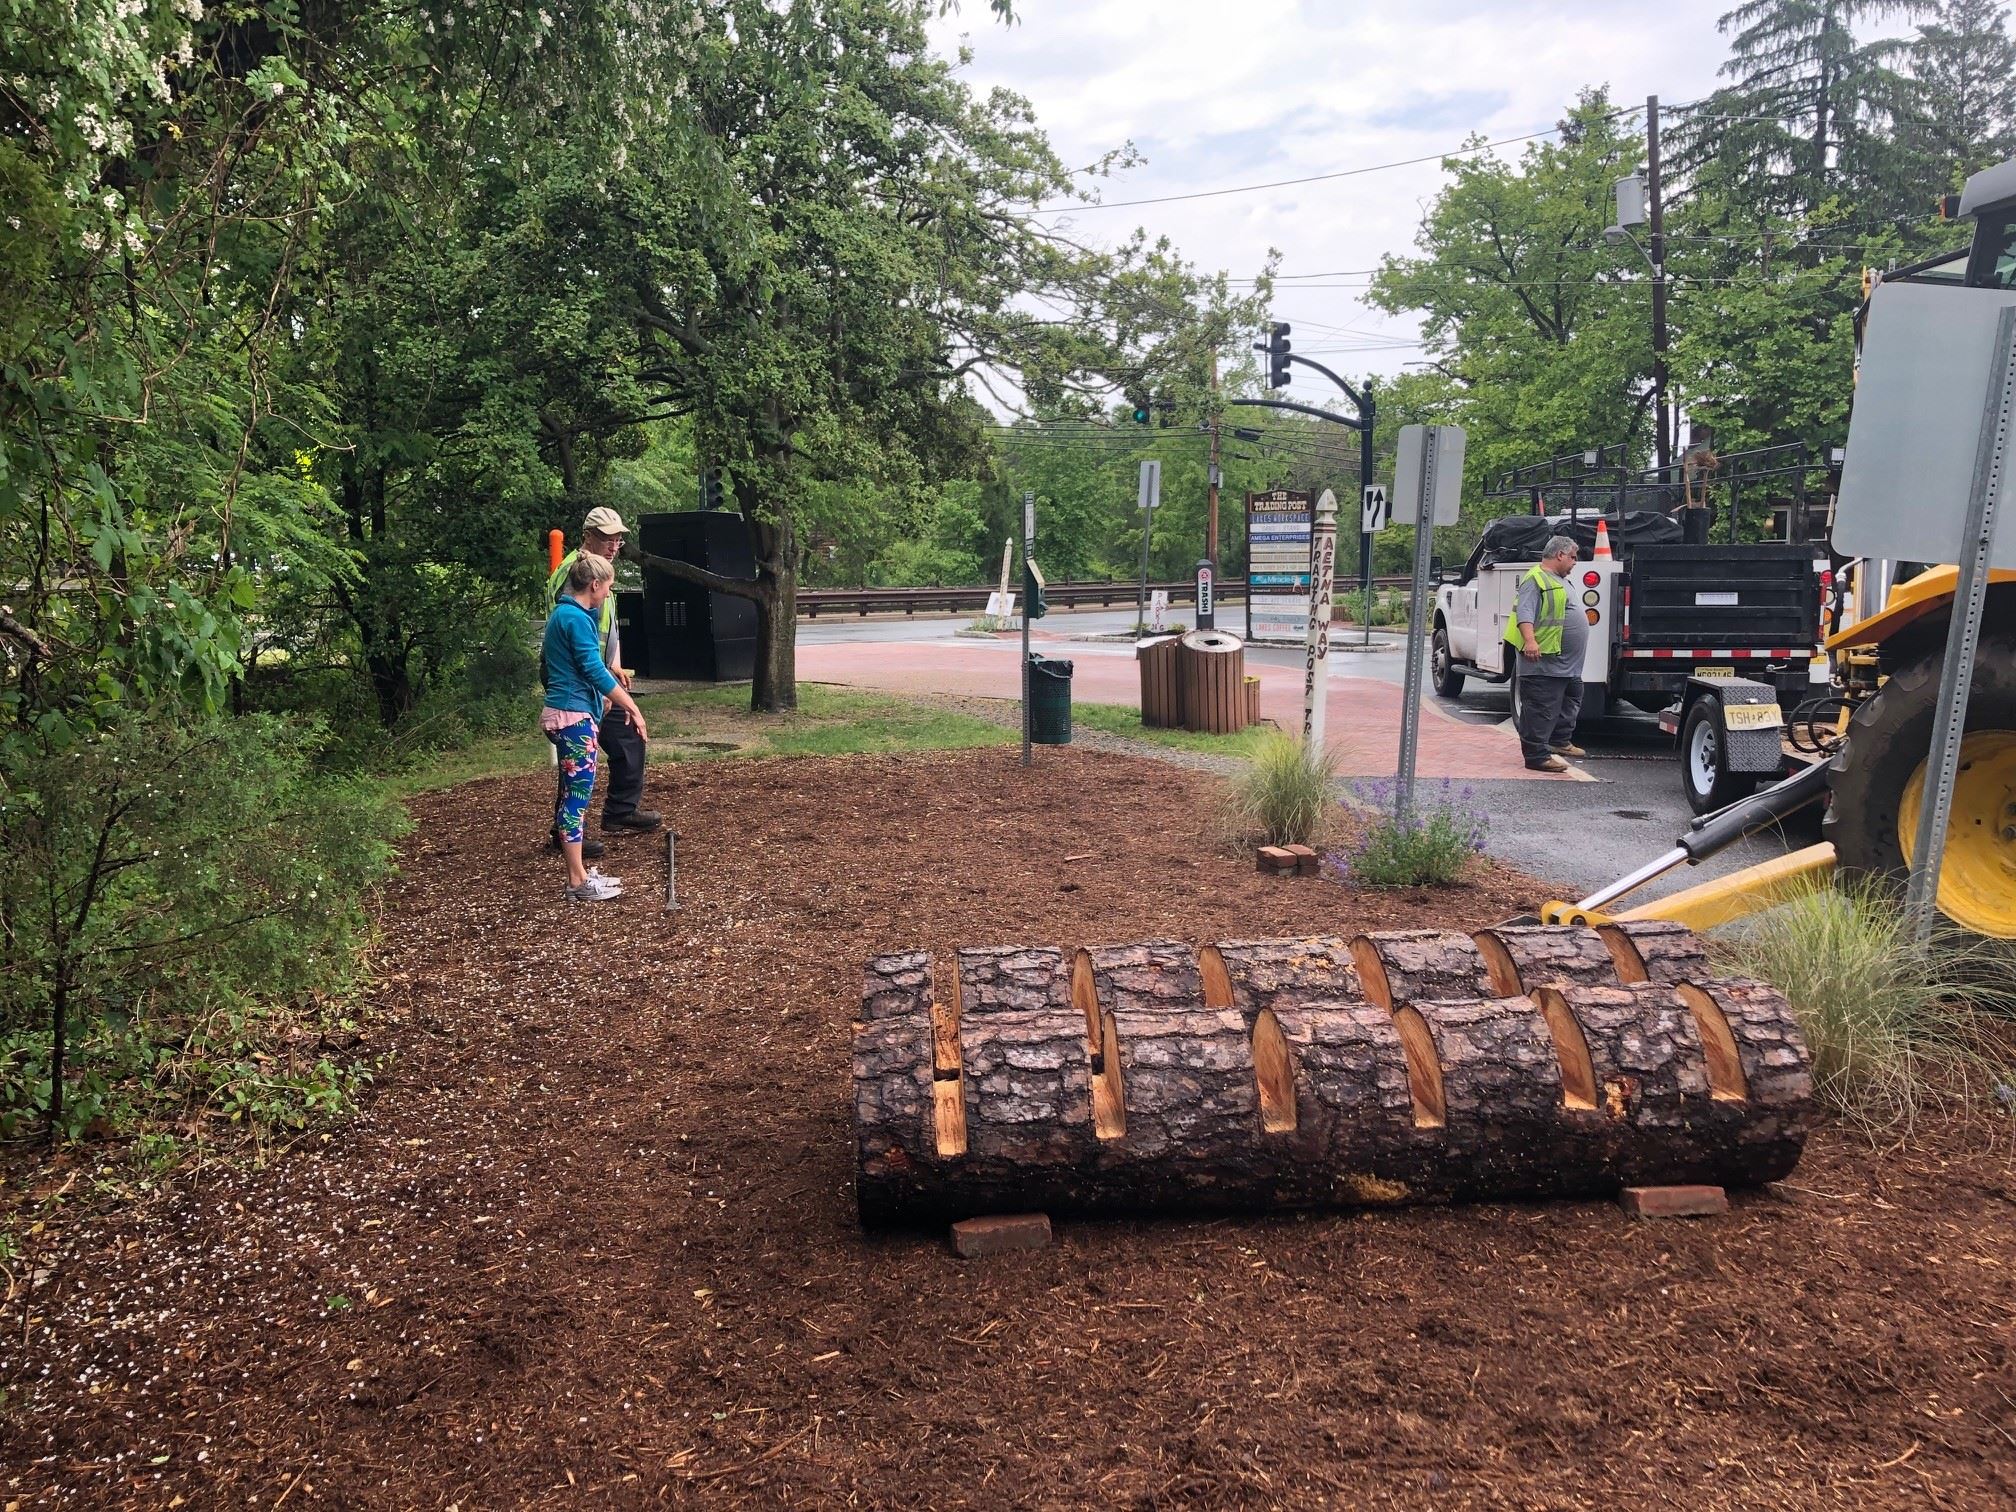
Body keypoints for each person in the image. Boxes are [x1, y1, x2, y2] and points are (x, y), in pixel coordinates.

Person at [545, 506, 661, 846]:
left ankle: (619, 811)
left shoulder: (601, 575)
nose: (614, 545)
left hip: (597, 673)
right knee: (580, 753)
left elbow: (607, 627)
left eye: (618, 539)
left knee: (613, 742)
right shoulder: (574, 574)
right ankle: (565, 833)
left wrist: (616, 664)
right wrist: (606, 688)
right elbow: (574, 638)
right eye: (607, 539)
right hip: (579, 679)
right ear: (588, 537)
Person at [542, 552, 650, 903]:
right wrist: (631, 706)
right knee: (576, 801)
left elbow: (581, 669)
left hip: (571, 713)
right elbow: (593, 668)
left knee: (576, 797)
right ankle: (576, 882)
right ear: (594, 584)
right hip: (571, 718)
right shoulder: (574, 618)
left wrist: (600, 696)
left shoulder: (569, 614)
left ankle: (581, 874)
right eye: (608, 587)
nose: (609, 593)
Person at [1507, 534, 1590, 774]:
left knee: (1572, 697)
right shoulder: (1535, 579)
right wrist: (1530, 641)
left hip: (1566, 664)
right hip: (1543, 661)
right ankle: (1536, 755)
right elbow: (1525, 614)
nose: (1575, 562)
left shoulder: (1560, 579)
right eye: (1573, 557)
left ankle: (1559, 741)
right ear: (1560, 555)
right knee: (1541, 708)